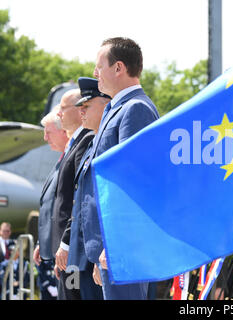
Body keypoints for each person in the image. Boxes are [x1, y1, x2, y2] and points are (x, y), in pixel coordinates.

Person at [73, 37, 159, 300]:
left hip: (123, 247)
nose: (95, 74)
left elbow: (132, 184)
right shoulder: (117, 108)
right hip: (110, 246)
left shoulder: (136, 109)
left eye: (99, 66)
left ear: (119, 68)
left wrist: (114, 244)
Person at [63, 77, 111, 300]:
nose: (81, 112)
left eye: (87, 106)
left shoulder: (101, 142)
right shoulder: (93, 144)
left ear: (105, 102)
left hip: (92, 254)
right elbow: (79, 201)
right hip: (79, 253)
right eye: (79, 107)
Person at [48, 89, 96, 300]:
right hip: (67, 252)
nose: (58, 113)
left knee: (72, 296)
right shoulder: (74, 144)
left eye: (63, 108)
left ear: (78, 111)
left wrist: (65, 243)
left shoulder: (85, 140)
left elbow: (77, 196)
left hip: (74, 252)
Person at [33, 105, 68, 300]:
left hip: (65, 254)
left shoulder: (71, 159)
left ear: (63, 131)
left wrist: (62, 246)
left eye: (48, 132)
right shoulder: (61, 160)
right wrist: (42, 241)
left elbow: (67, 207)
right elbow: (50, 206)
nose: (45, 138)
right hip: (54, 252)